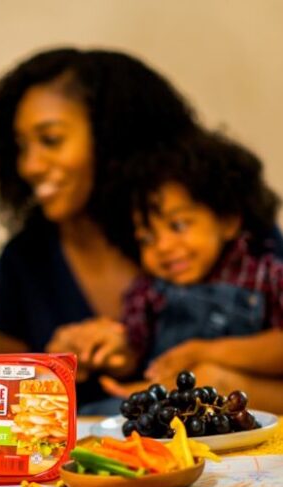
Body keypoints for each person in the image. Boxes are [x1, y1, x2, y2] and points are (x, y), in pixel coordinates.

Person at [0, 47, 200, 413]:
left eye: (50, 139)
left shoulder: (211, 233)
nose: (29, 165)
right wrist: (50, 369)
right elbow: (5, 406)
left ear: (113, 139)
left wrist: (221, 376)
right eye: (21, 147)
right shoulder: (23, 260)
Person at [68, 130, 283, 413]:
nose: (164, 246)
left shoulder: (264, 273)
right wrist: (115, 355)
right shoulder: (148, 288)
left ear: (228, 220)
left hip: (243, 411)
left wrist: (203, 352)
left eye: (178, 225)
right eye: (147, 238)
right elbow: (134, 349)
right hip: (166, 410)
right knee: (88, 414)